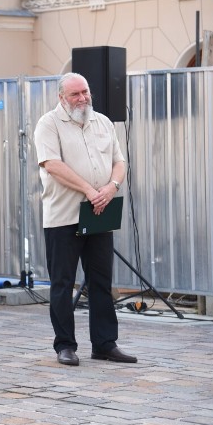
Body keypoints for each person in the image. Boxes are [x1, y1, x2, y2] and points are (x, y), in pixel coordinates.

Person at [33, 72, 136, 366]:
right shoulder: (48, 124)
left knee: (101, 281)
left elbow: (119, 161)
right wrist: (90, 190)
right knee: (62, 284)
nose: (83, 98)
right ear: (61, 98)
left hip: (99, 211)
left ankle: (105, 344)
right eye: (75, 94)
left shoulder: (102, 122)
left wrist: (110, 188)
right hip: (63, 216)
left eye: (86, 92)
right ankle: (65, 345)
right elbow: (52, 164)